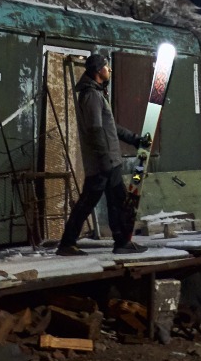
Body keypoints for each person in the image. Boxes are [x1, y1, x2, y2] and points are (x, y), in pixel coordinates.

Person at [54, 48, 149, 255]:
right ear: (98, 71)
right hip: (104, 161)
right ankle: (71, 243)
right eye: (107, 67)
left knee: (112, 201)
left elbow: (110, 127)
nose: (110, 69)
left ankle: (118, 241)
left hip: (107, 160)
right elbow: (96, 129)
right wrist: (104, 158)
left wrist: (135, 140)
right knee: (94, 202)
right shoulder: (91, 96)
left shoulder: (96, 94)